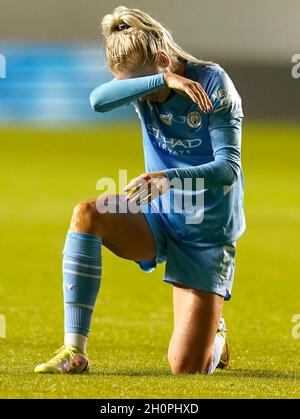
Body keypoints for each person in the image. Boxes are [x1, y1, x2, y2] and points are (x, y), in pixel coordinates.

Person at [35, 5, 245, 375]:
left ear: (164, 58)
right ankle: (74, 350)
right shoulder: (155, 82)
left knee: (185, 369)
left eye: (147, 86)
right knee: (88, 213)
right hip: (157, 216)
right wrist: (160, 82)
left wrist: (166, 179)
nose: (142, 99)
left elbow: (228, 168)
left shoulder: (214, 84)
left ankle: (217, 335)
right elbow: (97, 101)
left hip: (205, 233)